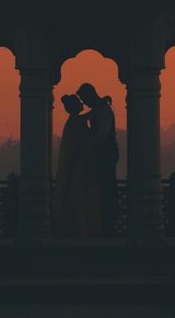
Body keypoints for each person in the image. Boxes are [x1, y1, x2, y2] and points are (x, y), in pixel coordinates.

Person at [52, 93, 102, 238]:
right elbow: (92, 115)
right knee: (80, 196)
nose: (82, 103)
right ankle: (82, 228)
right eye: (79, 102)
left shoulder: (73, 121)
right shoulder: (77, 121)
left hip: (77, 165)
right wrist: (100, 104)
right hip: (80, 165)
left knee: (78, 196)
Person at [77, 82, 119, 236]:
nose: (84, 103)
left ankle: (109, 223)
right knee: (103, 187)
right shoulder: (99, 108)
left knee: (106, 188)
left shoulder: (102, 109)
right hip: (103, 153)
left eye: (84, 99)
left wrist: (87, 145)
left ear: (90, 95)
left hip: (106, 153)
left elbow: (102, 133)